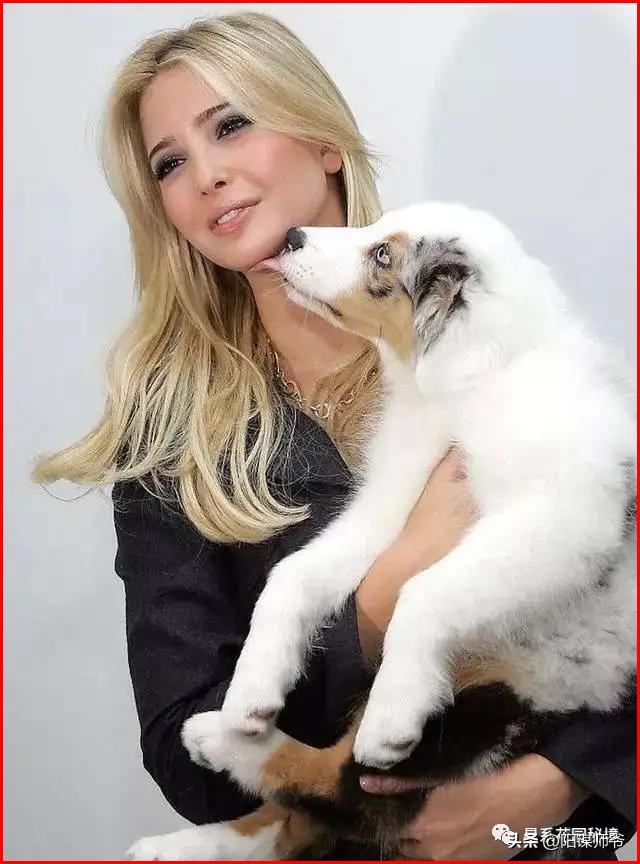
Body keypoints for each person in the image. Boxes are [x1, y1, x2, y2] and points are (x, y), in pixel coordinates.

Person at [33, 11, 635, 860]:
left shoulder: (484, 323)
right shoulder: (168, 446)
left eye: (230, 125)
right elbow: (186, 752)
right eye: (170, 163)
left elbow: (614, 596)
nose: (207, 176)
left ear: (322, 139)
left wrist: (555, 790)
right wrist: (379, 601)